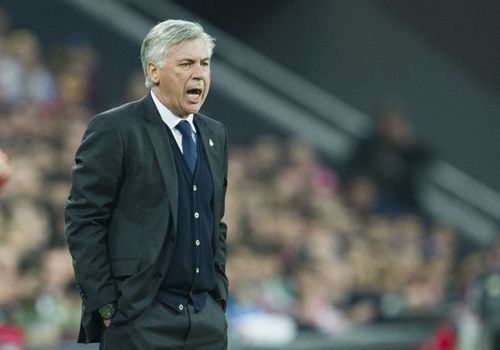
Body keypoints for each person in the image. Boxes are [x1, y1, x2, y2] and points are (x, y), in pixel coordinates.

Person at [65, 20, 229, 349]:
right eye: (186, 64)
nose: (199, 73)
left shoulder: (215, 135)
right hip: (141, 319)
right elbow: (84, 220)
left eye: (204, 63)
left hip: (205, 321)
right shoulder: (115, 128)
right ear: (154, 72)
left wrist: (218, 295)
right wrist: (107, 305)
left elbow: (215, 222)